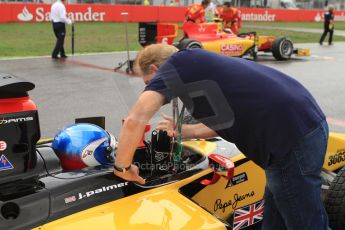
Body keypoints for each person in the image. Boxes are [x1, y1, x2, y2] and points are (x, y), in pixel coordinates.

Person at [113, 44, 330, 229]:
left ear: (156, 68)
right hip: (297, 130)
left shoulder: (178, 64)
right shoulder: (196, 68)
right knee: (275, 221)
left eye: (149, 82)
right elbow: (225, 122)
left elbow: (136, 119)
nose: (152, 88)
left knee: (305, 223)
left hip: (290, 137)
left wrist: (122, 168)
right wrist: (183, 131)